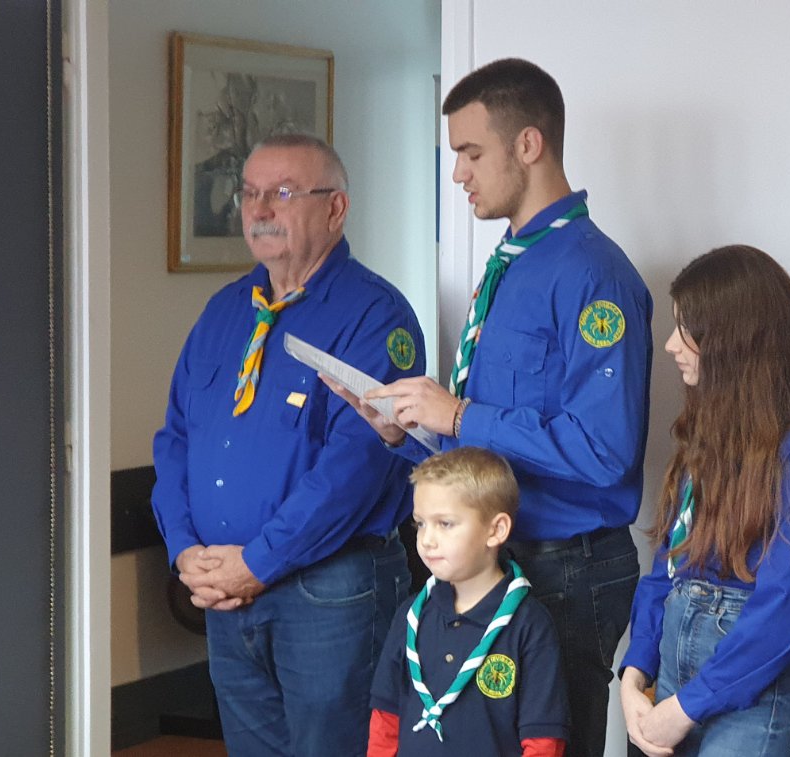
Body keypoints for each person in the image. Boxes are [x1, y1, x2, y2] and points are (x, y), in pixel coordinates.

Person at [327, 58, 652, 757]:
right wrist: (408, 432)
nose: (458, 174)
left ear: (528, 144)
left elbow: (605, 449)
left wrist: (457, 415)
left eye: (471, 153)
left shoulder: (593, 273)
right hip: (489, 555)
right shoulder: (511, 262)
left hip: (564, 564)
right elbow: (490, 436)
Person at [151, 133, 424, 755]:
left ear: (336, 208)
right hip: (224, 590)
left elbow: (353, 468)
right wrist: (184, 549)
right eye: (249, 193)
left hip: (329, 594)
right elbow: (175, 439)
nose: (259, 209)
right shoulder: (224, 312)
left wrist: (257, 563)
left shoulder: (375, 316)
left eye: (281, 192)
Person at [616, 245, 790, 756]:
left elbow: (786, 607)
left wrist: (686, 708)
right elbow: (667, 563)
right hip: (672, 681)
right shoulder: (711, 435)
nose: (671, 344)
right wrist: (634, 672)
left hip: (754, 705)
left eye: (686, 329)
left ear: (733, 340)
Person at [367, 446, 568, 757]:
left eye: (445, 523)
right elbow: (386, 718)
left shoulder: (529, 624)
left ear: (496, 530)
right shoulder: (410, 615)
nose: (427, 540)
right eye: (420, 523)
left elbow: (543, 741)